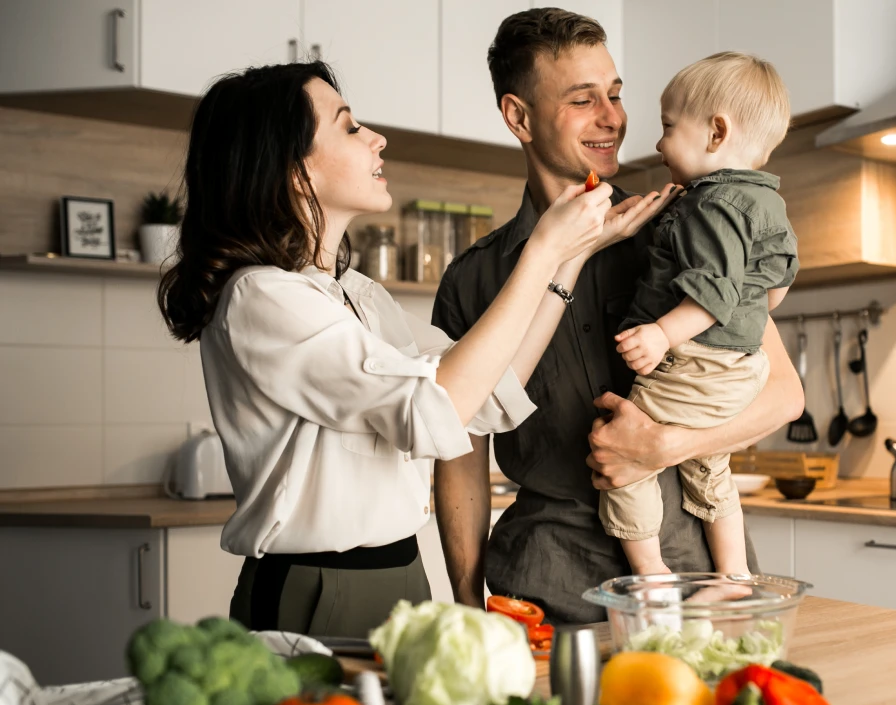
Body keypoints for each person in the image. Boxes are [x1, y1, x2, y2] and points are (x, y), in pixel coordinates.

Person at [156, 60, 665, 637]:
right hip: (316, 587)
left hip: (402, 573)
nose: (377, 138)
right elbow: (435, 410)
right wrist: (543, 249)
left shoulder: (359, 294)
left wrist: (571, 256)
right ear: (294, 171)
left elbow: (485, 394)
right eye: (349, 127)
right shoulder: (262, 296)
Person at [432, 8, 805, 624]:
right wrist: (467, 607)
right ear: (518, 116)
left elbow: (783, 396)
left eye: (615, 94)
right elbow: (459, 461)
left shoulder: (685, 223)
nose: (612, 119)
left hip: (697, 581)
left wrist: (664, 445)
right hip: (543, 585)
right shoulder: (473, 279)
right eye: (584, 100)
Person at [602, 52, 799, 580]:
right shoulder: (767, 202)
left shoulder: (713, 205)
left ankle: (652, 575)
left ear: (716, 132)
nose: (660, 143)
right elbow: (772, 293)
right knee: (711, 466)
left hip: (694, 363)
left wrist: (663, 334)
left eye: (668, 127)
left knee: (625, 451)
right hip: (740, 366)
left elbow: (713, 294)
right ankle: (733, 575)